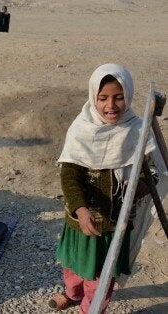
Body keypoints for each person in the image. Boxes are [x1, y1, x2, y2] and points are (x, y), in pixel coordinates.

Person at [49, 64, 158, 313]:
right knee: (74, 267)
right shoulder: (81, 128)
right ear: (93, 97)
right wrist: (80, 209)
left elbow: (151, 170)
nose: (111, 105)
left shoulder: (136, 130)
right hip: (80, 223)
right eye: (103, 98)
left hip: (112, 226)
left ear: (128, 97)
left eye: (119, 97)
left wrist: (140, 183)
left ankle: (90, 308)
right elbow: (69, 173)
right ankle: (72, 294)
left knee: (101, 276)